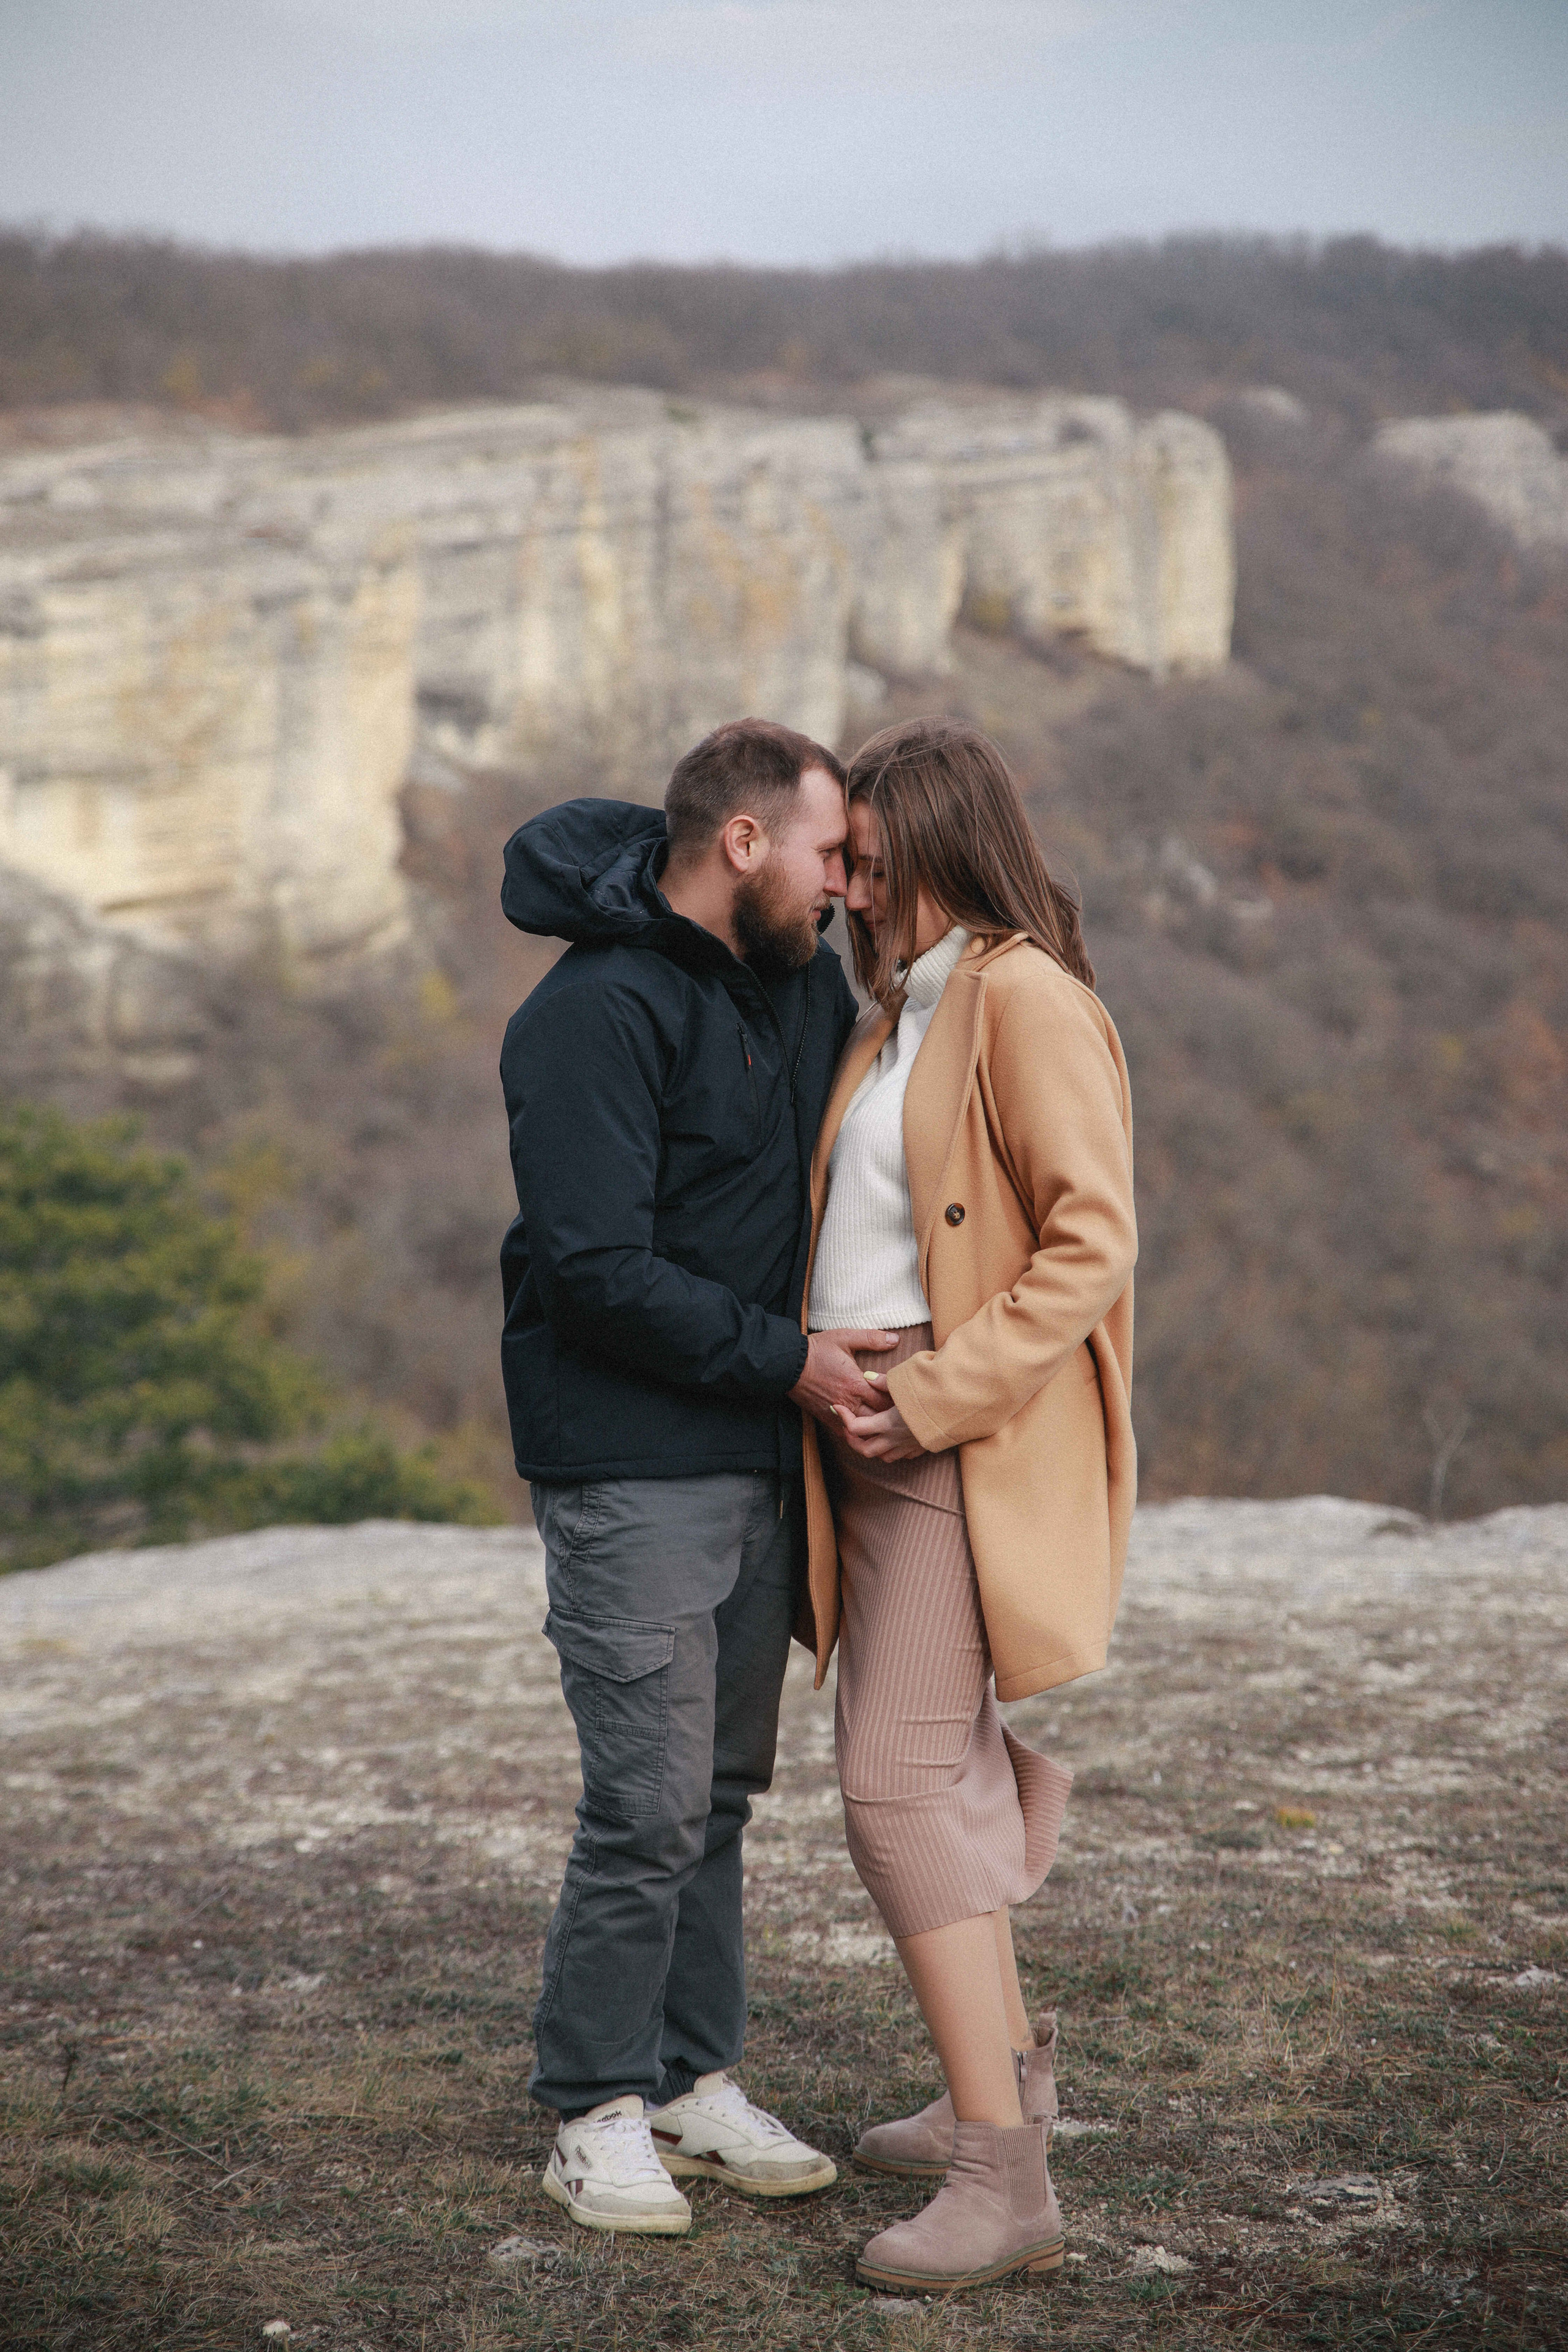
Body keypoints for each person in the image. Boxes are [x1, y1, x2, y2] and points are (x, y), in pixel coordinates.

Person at [499, 718, 901, 2236]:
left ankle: (689, 2075)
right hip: (628, 1458)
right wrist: (788, 1359)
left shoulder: (796, 992)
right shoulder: (589, 1015)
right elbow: (594, 1272)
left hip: (751, 1445)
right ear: (742, 842)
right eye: (825, 856)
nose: (843, 891)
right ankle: (593, 2105)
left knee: (721, 1795)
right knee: (646, 1804)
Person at [797, 717, 1138, 2294]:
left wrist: (927, 1394)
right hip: (866, 1446)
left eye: (869, 863)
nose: (850, 892)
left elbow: (1090, 1243)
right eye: (843, 863)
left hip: (941, 1439)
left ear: (935, 847)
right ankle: (998, 2077)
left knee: (890, 1788)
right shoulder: (898, 1009)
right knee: (924, 1772)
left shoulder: (1022, 996)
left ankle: (1006, 2180)